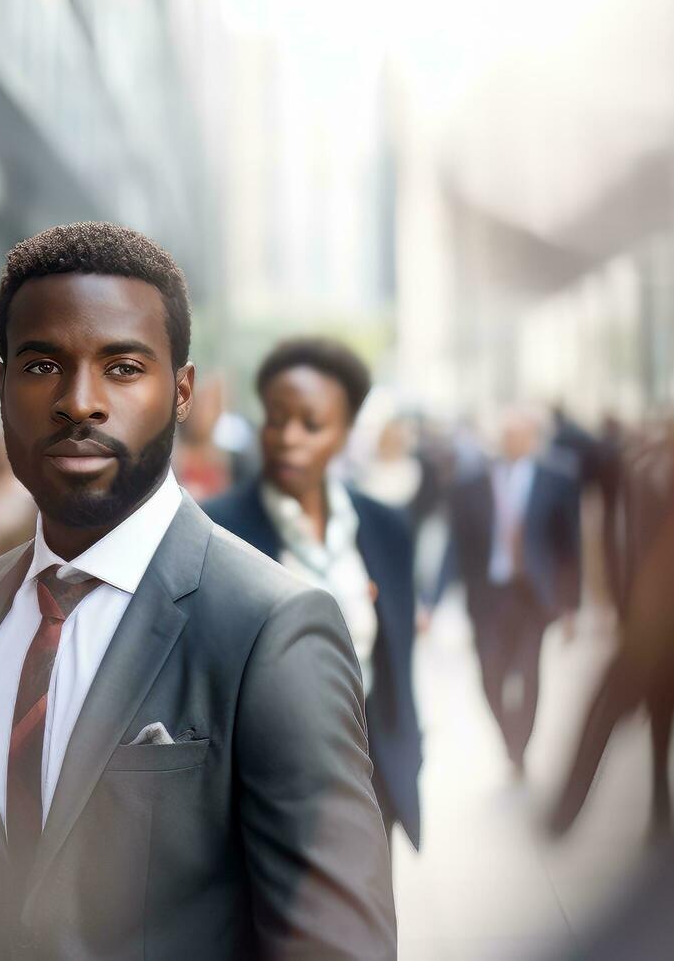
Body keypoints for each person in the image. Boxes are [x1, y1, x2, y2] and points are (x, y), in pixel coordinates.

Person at [0, 223, 396, 959]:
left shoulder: (272, 628)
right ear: (2, 385)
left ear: (181, 392)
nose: (80, 403)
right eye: (43, 364)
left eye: (122, 368)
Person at [204, 338, 423, 871]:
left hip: (369, 780)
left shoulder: (386, 528)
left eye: (310, 424)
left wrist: (409, 755)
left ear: (346, 433)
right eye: (275, 420)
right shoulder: (213, 530)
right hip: (259, 788)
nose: (287, 439)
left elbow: (399, 663)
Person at [442, 406, 580, 777]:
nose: (513, 442)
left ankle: (521, 745)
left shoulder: (557, 479)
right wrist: (432, 598)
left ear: (533, 439)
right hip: (489, 597)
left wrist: (571, 606)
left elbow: (570, 546)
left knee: (529, 672)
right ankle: (508, 737)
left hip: (534, 598)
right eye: (506, 436)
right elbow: (454, 546)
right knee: (490, 675)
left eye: (520, 435)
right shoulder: (469, 484)